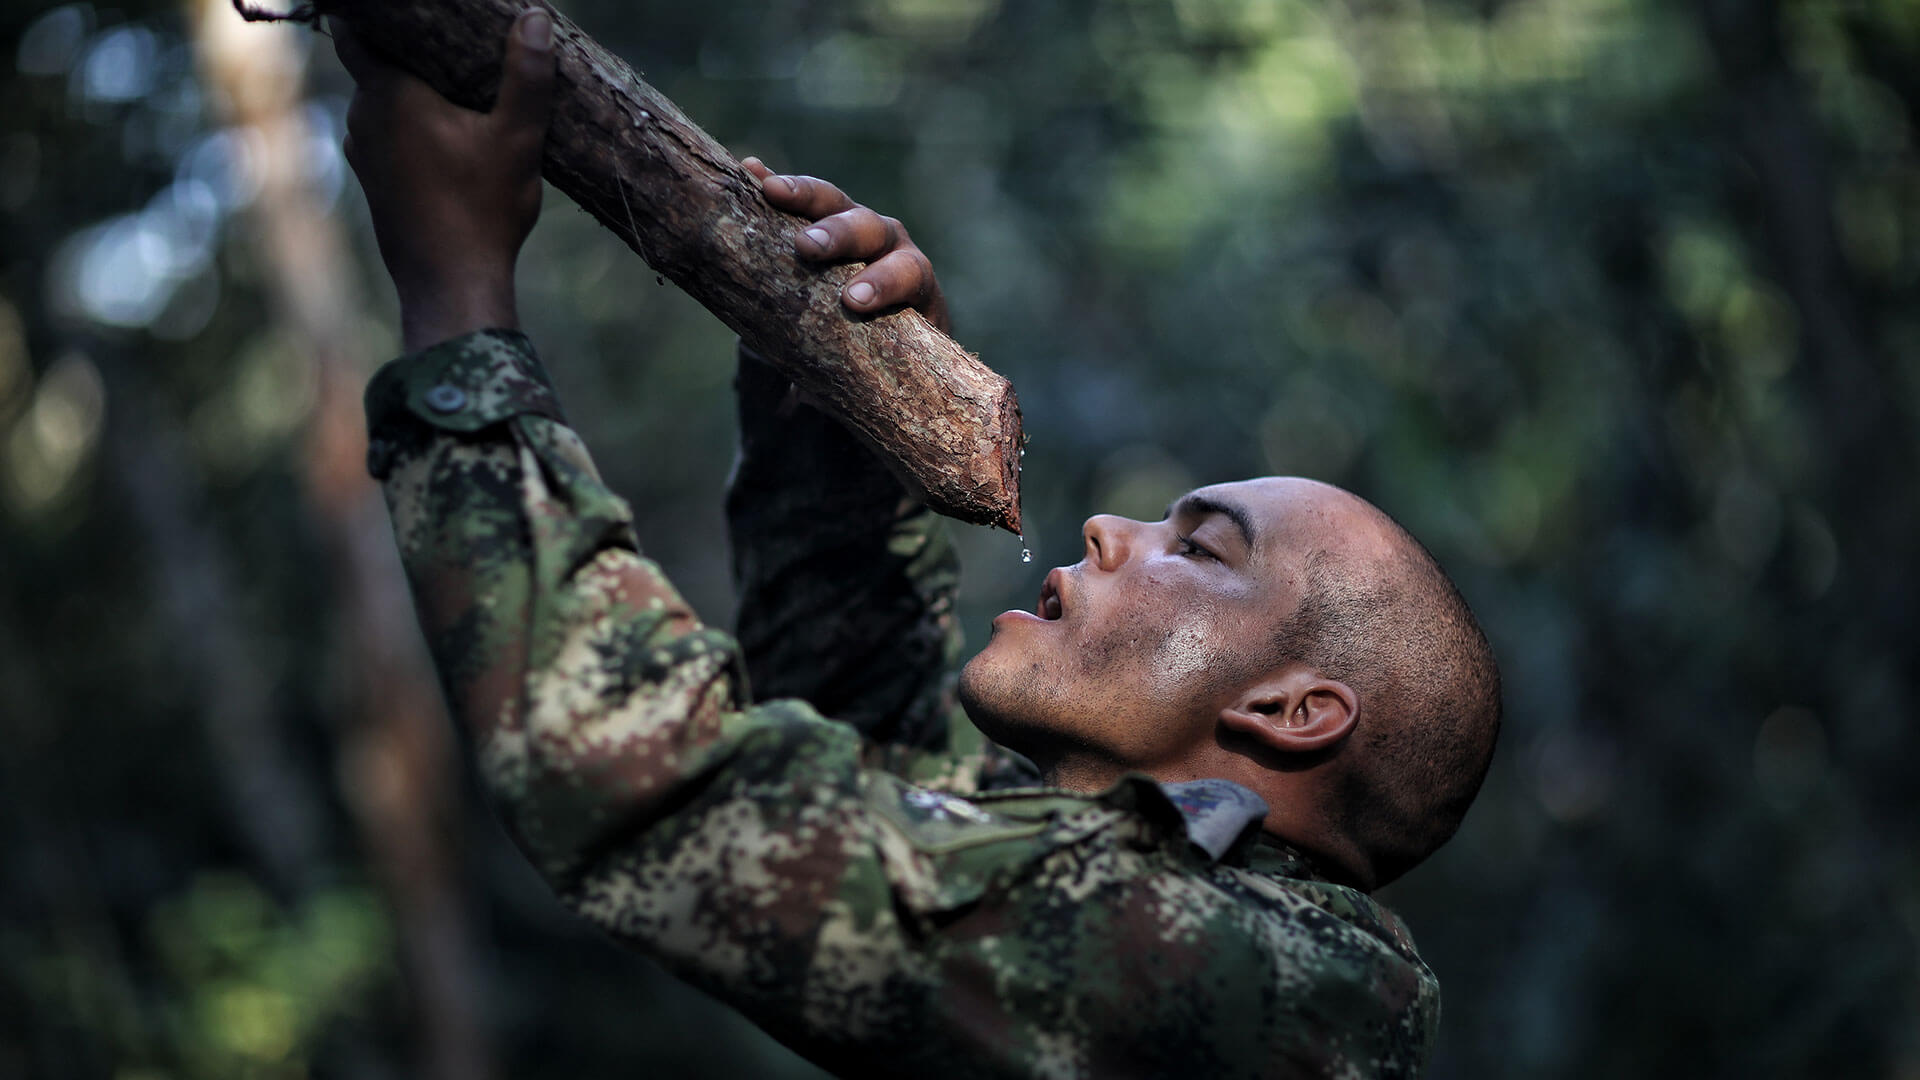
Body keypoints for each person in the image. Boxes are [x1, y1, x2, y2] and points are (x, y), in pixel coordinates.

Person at [333, 9, 1500, 1078]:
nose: (1106, 527)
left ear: (1294, 711)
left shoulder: (1287, 986)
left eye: (1199, 550)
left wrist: (460, 301)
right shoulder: (1166, 897)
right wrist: (835, 410)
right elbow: (869, 737)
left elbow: (643, 783)